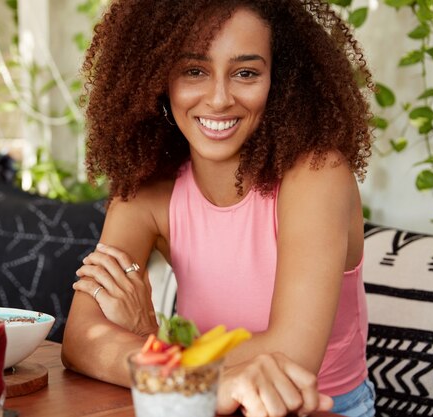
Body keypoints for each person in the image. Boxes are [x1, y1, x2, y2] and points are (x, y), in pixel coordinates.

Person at [61, 0, 375, 416]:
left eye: (246, 73)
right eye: (194, 71)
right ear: (157, 78)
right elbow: (83, 339)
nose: (220, 98)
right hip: (202, 402)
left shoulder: (318, 174)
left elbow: (289, 361)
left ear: (278, 79)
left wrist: (162, 352)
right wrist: (192, 376)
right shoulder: (148, 189)